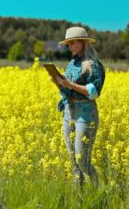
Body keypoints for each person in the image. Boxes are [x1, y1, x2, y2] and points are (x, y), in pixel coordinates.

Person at [51, 26, 105, 188]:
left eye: (73, 43)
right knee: (74, 163)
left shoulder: (94, 65)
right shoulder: (71, 64)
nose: (70, 47)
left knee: (83, 160)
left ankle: (100, 194)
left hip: (85, 114)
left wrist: (70, 84)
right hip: (69, 112)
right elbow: (68, 89)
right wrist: (59, 83)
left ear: (83, 43)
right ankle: (78, 200)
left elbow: (94, 92)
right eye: (68, 44)